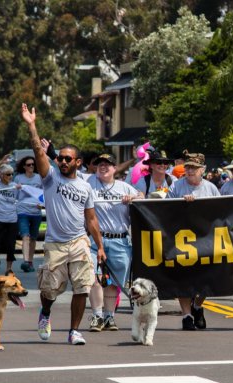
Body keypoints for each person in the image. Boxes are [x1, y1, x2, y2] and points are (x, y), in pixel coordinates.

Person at [21, 103, 106, 346]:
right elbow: (38, 151)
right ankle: (45, 313)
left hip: (79, 241)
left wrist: (99, 246)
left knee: (82, 287)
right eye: (60, 158)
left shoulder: (86, 186)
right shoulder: (50, 178)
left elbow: (91, 218)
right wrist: (32, 125)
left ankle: (73, 331)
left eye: (68, 159)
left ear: (78, 162)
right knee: (50, 290)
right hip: (55, 244)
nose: (63, 162)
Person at [86, 153, 143, 332]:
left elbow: (142, 196)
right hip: (95, 239)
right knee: (93, 278)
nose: (103, 167)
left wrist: (133, 198)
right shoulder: (88, 184)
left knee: (114, 283)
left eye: (107, 164)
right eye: (100, 164)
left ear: (114, 168)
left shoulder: (124, 186)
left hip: (119, 240)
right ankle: (97, 316)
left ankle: (109, 317)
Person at [167, 151, 220, 330]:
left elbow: (221, 212)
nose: (190, 171)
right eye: (188, 167)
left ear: (202, 170)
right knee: (183, 278)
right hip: (182, 239)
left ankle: (197, 306)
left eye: (194, 168)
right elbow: (165, 210)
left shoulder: (211, 188)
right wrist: (183, 204)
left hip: (205, 239)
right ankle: (186, 315)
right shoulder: (176, 186)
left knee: (206, 279)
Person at [0, 156, 20, 275]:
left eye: (11, 174)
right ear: (1, 175)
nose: (10, 177)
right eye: (7, 174)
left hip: (12, 219)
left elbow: (26, 197)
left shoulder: (15, 186)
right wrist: (0, 161)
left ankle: (8, 269)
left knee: (11, 245)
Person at [14, 156, 43, 272]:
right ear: (24, 166)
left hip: (36, 212)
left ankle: (30, 261)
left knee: (33, 238)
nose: (31, 166)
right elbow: (15, 196)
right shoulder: (18, 178)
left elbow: (43, 194)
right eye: (29, 164)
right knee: (25, 236)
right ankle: (25, 261)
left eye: (33, 164)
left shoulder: (39, 178)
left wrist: (41, 203)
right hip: (22, 211)